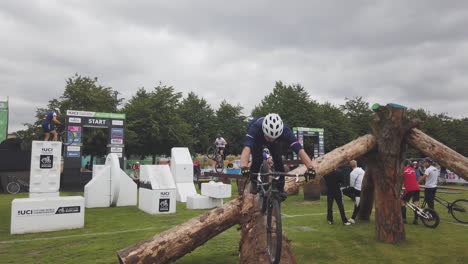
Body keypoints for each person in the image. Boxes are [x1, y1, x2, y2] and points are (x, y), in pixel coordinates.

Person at [240, 113, 317, 199]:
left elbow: (299, 150)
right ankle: (254, 181)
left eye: (273, 138)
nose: (270, 140)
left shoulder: (285, 131)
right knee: (258, 159)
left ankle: (280, 189)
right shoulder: (255, 127)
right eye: (269, 137)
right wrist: (244, 167)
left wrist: (310, 168)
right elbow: (247, 148)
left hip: (276, 140)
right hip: (258, 139)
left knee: (278, 161)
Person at [401, 160, 421, 224]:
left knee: (402, 202)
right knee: (415, 203)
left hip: (410, 189)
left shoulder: (402, 170)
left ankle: (404, 219)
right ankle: (416, 220)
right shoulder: (413, 169)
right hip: (417, 188)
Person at [347, 160, 365, 224]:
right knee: (357, 204)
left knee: (357, 205)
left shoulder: (352, 173)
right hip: (363, 188)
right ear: (356, 164)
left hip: (358, 189)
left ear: (350, 166)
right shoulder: (362, 170)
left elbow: (352, 184)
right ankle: (355, 199)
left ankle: (352, 218)